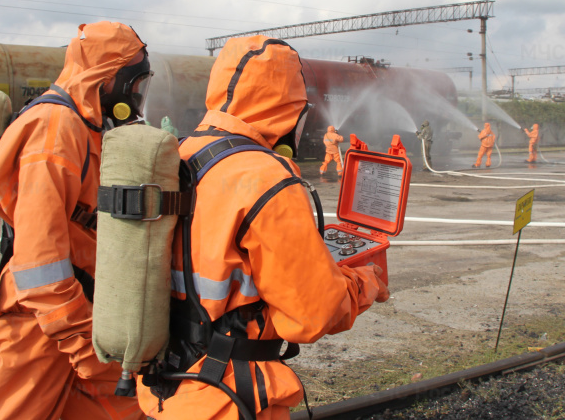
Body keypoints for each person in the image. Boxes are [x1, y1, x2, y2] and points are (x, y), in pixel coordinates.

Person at [135, 35, 389, 420]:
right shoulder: (266, 178)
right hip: (229, 395)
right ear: (290, 111)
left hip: (164, 387)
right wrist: (365, 282)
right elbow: (313, 313)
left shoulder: (181, 152)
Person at [0, 22, 151, 420]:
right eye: (135, 81)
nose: (137, 93)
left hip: (81, 310)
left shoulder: (85, 125)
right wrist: (79, 340)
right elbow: (39, 260)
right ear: (108, 75)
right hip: (41, 322)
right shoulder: (56, 126)